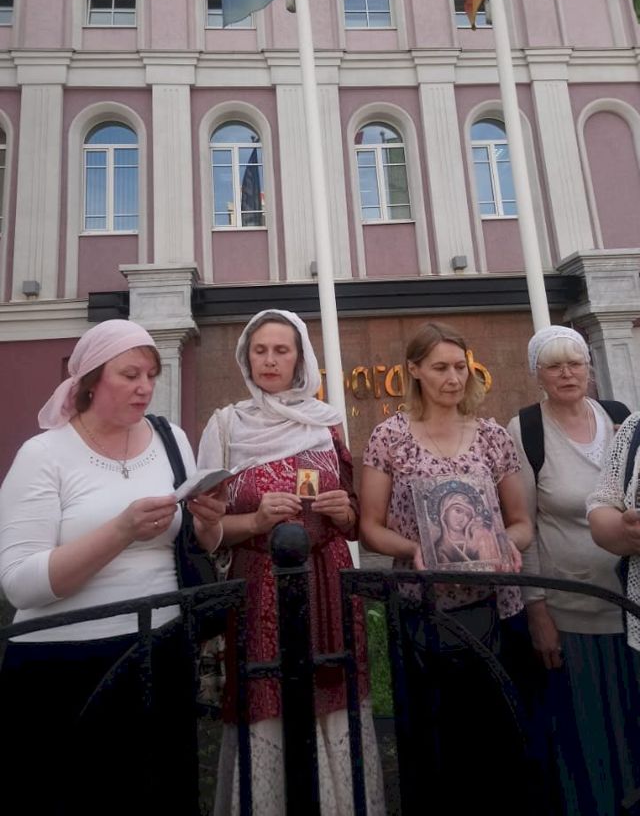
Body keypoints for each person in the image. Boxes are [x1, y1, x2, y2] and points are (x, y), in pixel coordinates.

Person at [0, 318, 226, 816]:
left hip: (159, 651)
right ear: (89, 382)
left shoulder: (171, 439)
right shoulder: (43, 455)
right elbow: (20, 585)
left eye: (151, 375)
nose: (145, 387)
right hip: (65, 665)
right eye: (130, 375)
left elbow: (196, 542)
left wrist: (209, 522)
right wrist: (121, 530)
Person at [198, 308, 384, 816]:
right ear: (246, 358)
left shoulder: (326, 422)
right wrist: (255, 522)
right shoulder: (227, 425)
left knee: (332, 691)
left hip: (328, 581)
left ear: (301, 358)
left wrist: (343, 511)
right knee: (267, 696)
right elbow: (207, 530)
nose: (270, 360)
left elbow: (354, 518)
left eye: (282, 350)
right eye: (260, 351)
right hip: (258, 586)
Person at [360, 321, 532, 816]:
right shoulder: (389, 437)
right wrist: (417, 551)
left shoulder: (492, 436)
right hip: (423, 615)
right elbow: (370, 527)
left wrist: (503, 545)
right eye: (440, 368)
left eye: (460, 367)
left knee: (494, 741)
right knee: (431, 743)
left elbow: (521, 523)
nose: (453, 378)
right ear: (414, 370)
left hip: (492, 610)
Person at [507, 324, 640, 816]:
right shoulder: (527, 431)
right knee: (589, 732)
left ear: (589, 367)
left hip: (633, 604)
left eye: (576, 363)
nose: (567, 373)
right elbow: (525, 525)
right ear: (537, 374)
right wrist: (537, 610)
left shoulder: (621, 419)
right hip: (573, 609)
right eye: (554, 366)